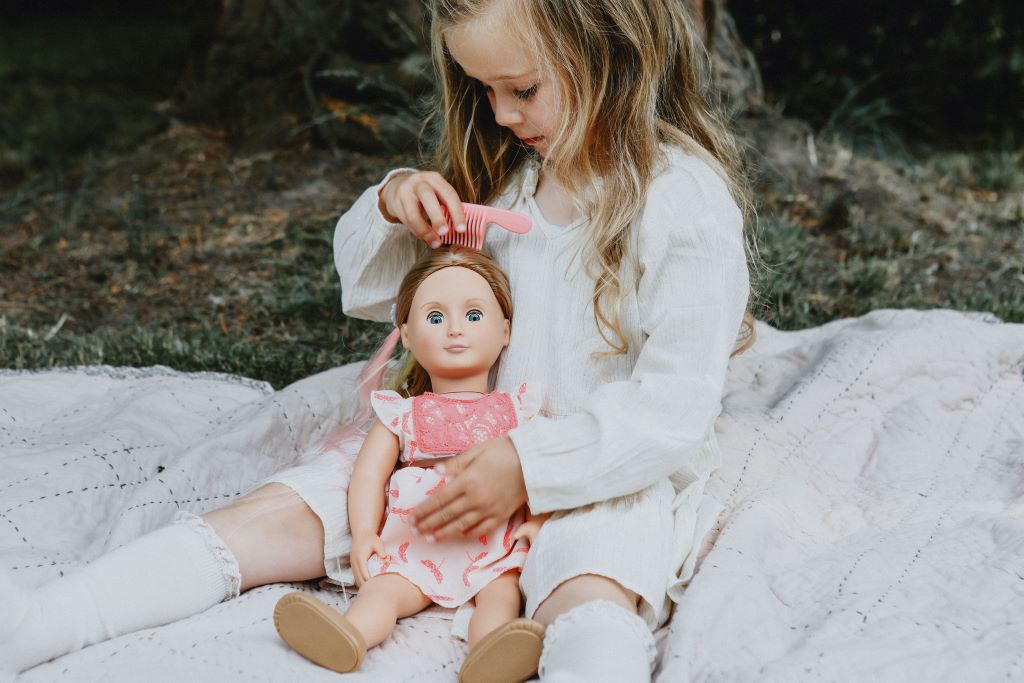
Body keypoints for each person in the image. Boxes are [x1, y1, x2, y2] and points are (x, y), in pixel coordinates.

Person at [1, 0, 756, 679]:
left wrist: (529, 465)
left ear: (610, 51)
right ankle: (43, 623)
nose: (499, 114)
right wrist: (396, 205)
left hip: (588, 466)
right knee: (279, 514)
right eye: (482, 90)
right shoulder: (506, 178)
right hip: (435, 451)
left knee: (595, 582)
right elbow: (373, 293)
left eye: (522, 89)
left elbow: (673, 408)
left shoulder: (680, 200)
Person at [273, 247, 547, 682]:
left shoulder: (515, 409)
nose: (455, 329)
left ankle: (494, 651)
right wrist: (365, 533)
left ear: (505, 331)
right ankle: (349, 635)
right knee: (382, 592)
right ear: (406, 335)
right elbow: (369, 474)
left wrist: (538, 521)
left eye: (474, 315)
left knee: (501, 595)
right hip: (415, 544)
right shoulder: (401, 413)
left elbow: (537, 468)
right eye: (435, 317)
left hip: (493, 541)